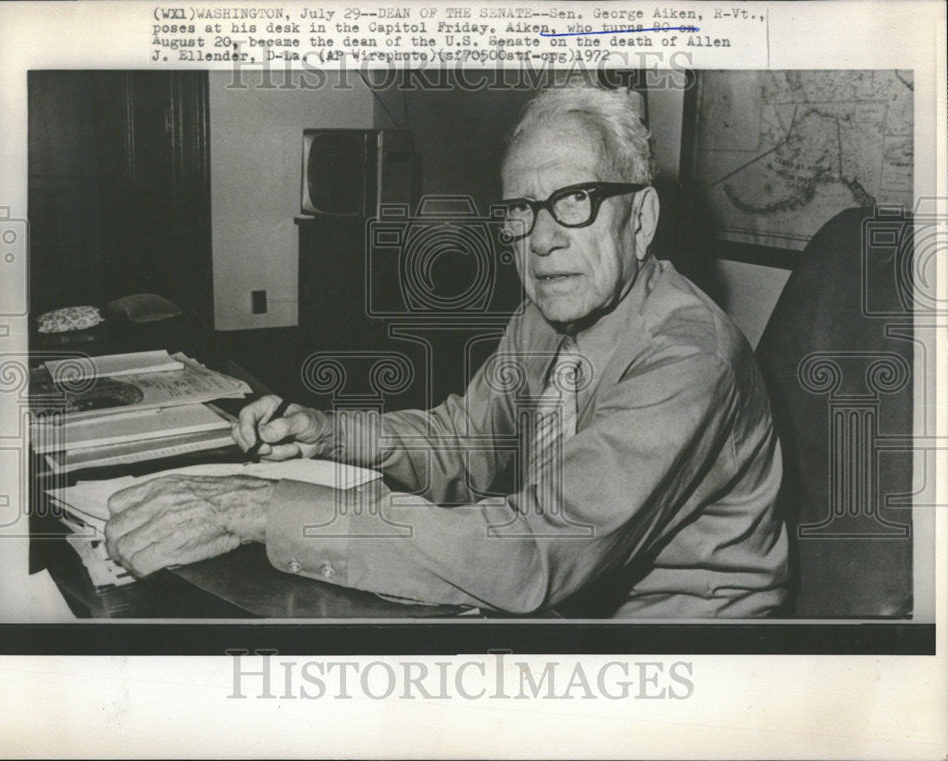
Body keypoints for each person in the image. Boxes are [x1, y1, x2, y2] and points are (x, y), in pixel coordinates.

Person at [105, 84, 789, 617]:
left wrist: (258, 507)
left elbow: (531, 546)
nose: (541, 239)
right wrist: (330, 432)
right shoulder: (550, 316)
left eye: (574, 199)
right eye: (520, 209)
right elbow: (461, 443)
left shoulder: (690, 358)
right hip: (561, 612)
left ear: (639, 218)